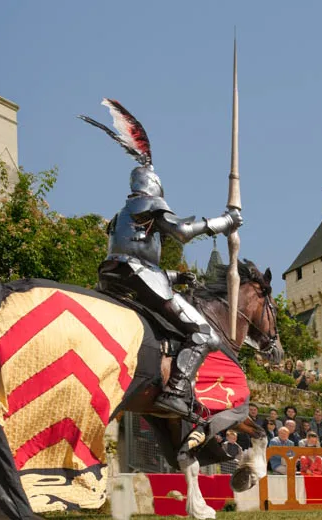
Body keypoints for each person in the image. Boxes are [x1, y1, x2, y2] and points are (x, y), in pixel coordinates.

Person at [85, 100, 243, 421]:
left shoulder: (121, 216)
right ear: (153, 185)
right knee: (202, 332)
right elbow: (183, 232)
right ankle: (177, 391)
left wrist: (176, 277)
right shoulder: (149, 204)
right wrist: (225, 222)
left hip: (116, 277)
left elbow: (138, 257)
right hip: (138, 277)